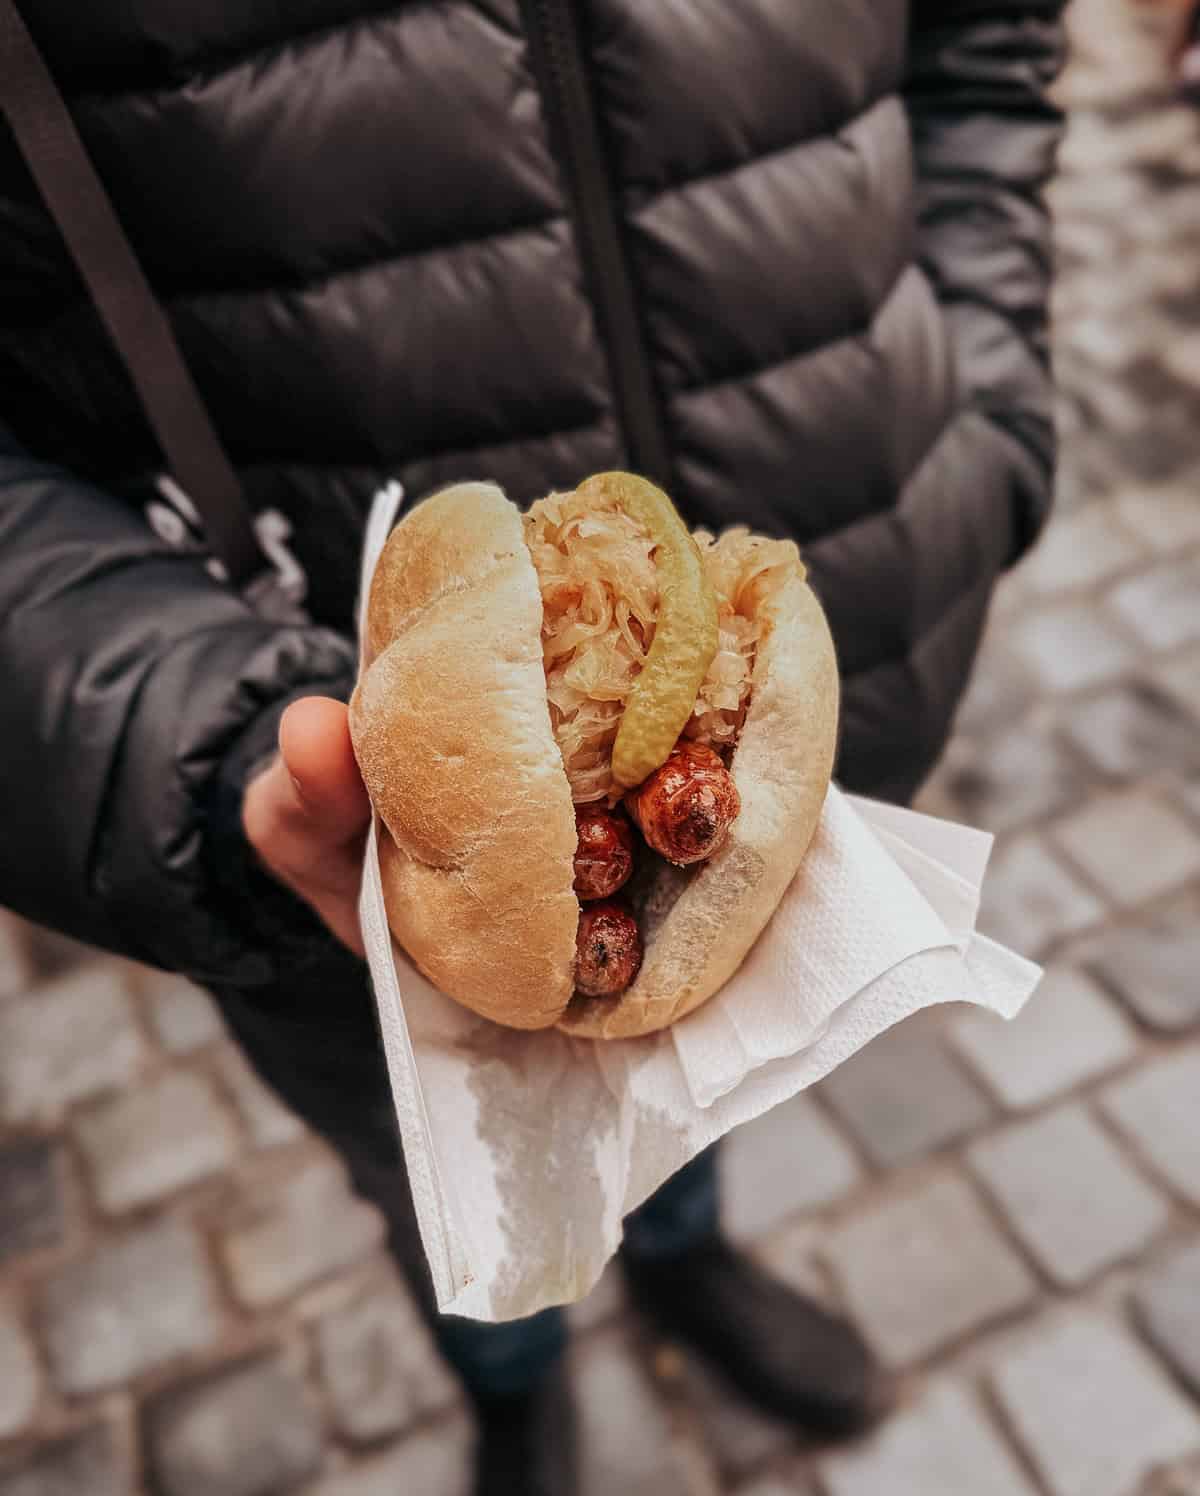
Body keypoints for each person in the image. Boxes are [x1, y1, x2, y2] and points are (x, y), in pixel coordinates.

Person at [0, 4, 1062, 1491]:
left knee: (700, 1089)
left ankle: (687, 1262)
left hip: (842, 691)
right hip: (314, 824)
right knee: (444, 1179)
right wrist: (187, 732)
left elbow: (986, 32)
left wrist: (991, 401)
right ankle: (511, 1381)